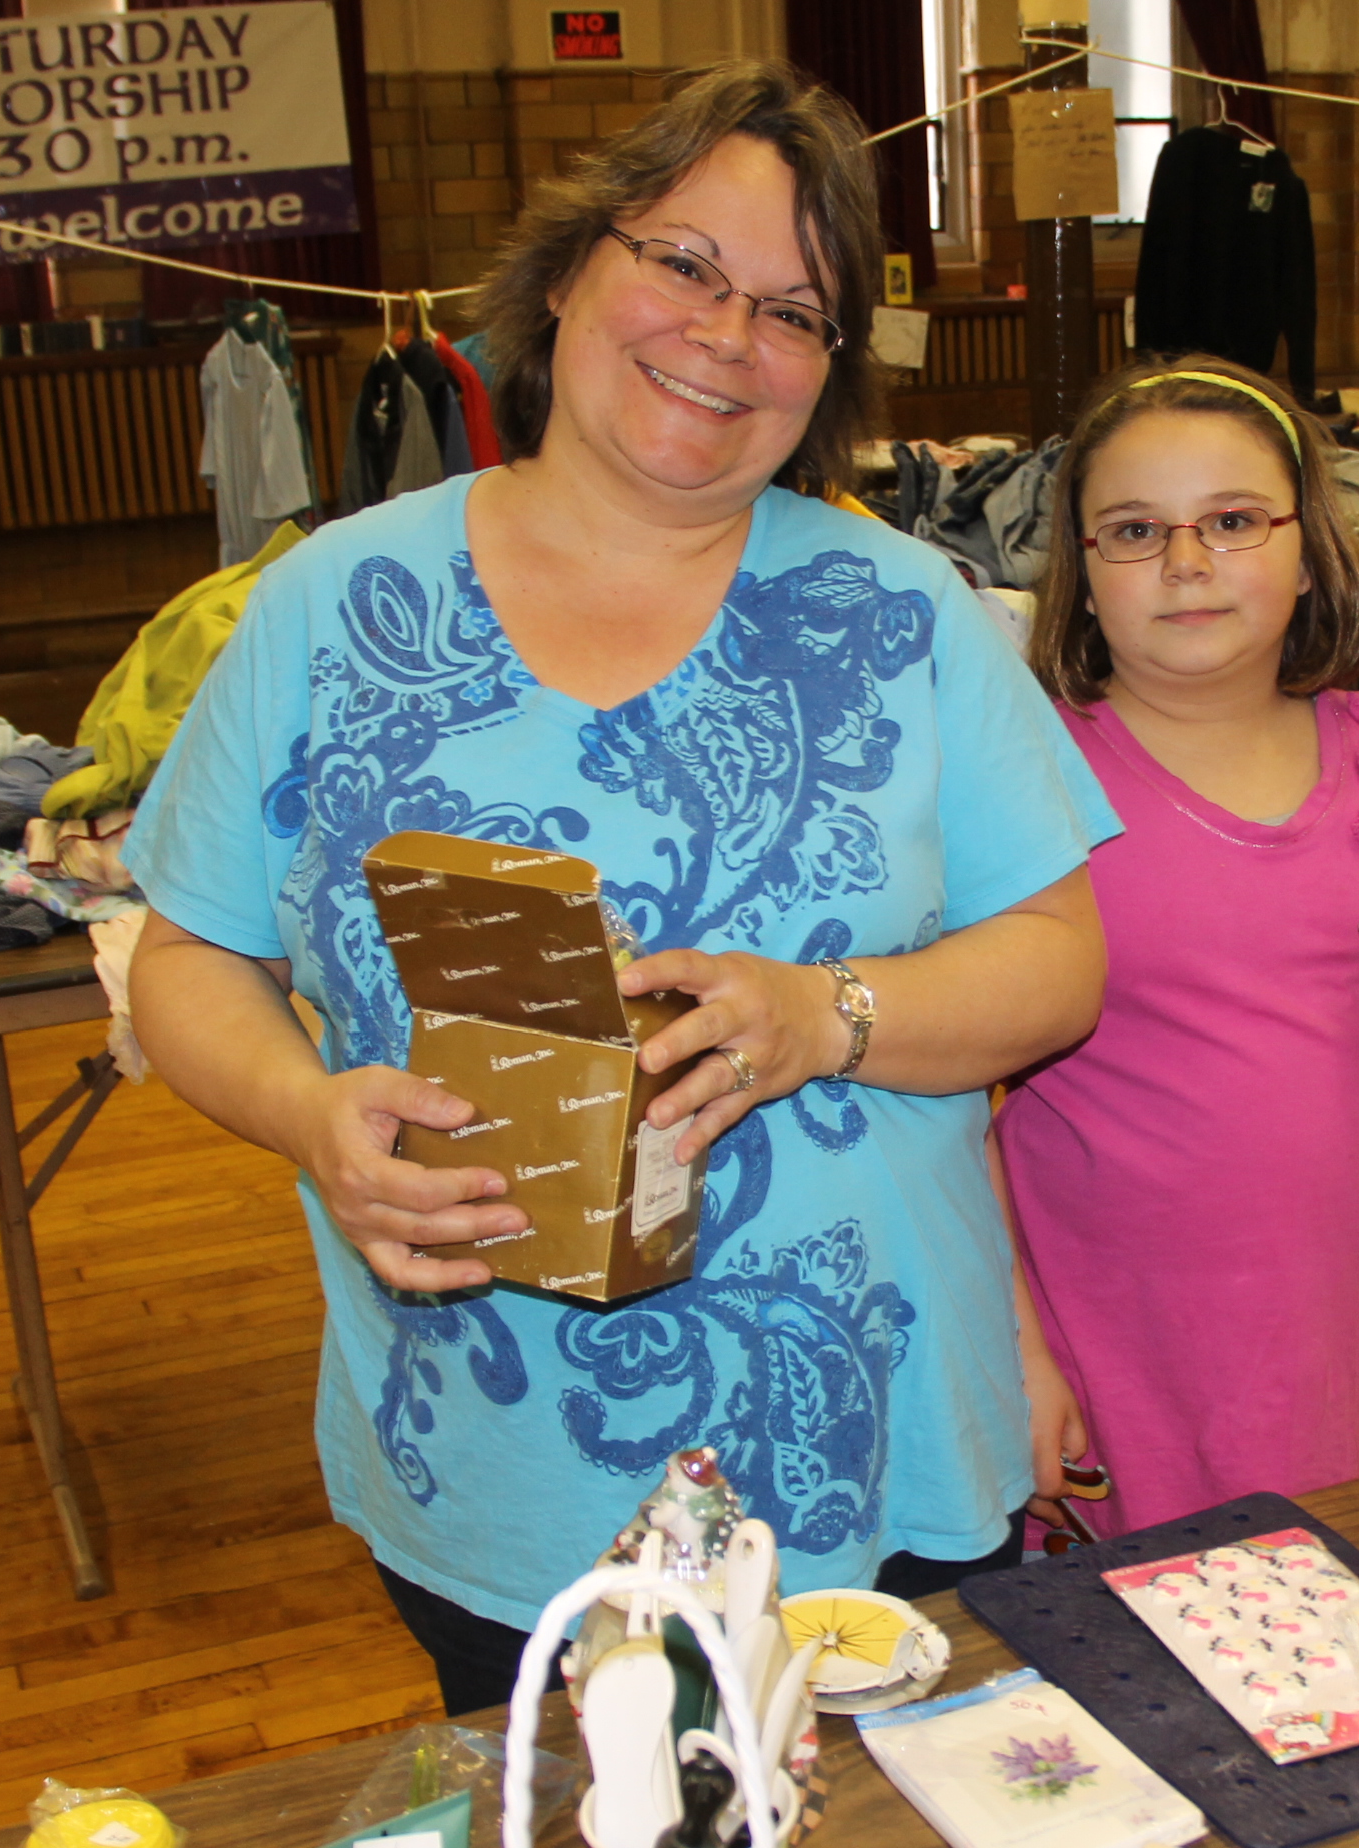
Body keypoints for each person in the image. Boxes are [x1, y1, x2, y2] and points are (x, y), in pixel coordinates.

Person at [123, 61, 1117, 1717]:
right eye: (684, 264)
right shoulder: (331, 606)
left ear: (829, 369)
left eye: (792, 312)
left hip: (869, 1445)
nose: (728, 335)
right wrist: (307, 1115)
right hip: (496, 1460)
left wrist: (826, 1013)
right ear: (569, 270)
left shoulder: (905, 611)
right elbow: (187, 954)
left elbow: (1058, 959)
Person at [994, 356, 1359, 1537]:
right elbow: (956, 1108)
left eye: (1231, 521)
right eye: (1136, 530)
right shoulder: (1033, 786)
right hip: (1116, 1348)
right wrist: (1015, 1352)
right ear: (1080, 569)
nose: (1186, 562)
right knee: (1147, 1621)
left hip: (1341, 1334)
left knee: (1331, 1588)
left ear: (1308, 548)